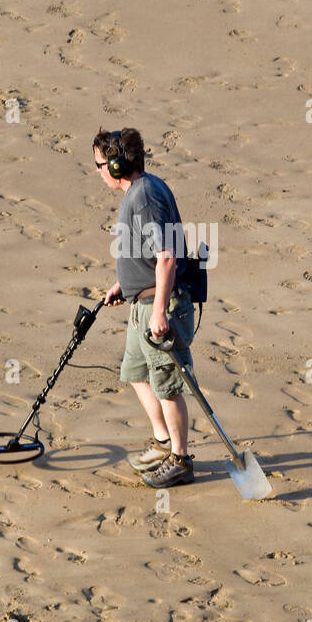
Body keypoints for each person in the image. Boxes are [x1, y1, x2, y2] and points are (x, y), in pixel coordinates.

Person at [93, 128, 197, 488]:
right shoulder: (140, 192)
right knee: (135, 372)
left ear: (117, 165)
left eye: (99, 164)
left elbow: (167, 258)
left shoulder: (146, 198)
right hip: (143, 301)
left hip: (161, 305)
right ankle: (164, 442)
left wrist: (158, 314)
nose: (98, 170)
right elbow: (148, 253)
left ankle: (181, 460)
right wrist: (126, 284)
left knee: (168, 385)